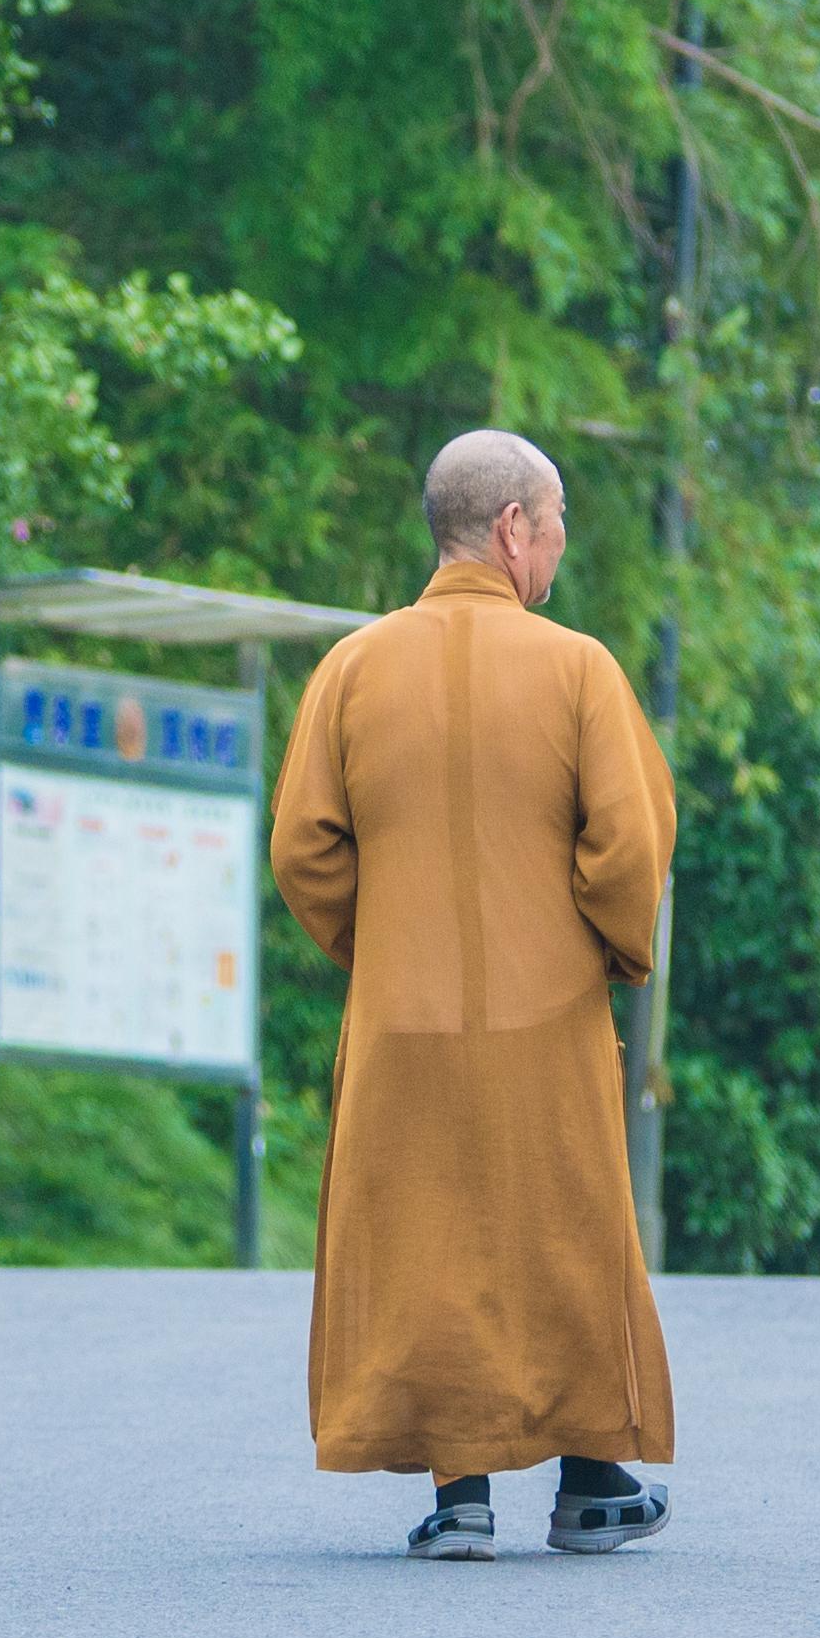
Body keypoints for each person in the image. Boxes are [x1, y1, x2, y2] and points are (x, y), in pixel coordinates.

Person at [269, 429, 678, 1561]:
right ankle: (593, 1484)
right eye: (551, 530)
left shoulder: (350, 669)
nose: (555, 553)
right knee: (567, 1235)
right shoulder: (577, 667)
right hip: (546, 1015)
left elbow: (304, 851)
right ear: (511, 529)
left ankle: (461, 1500)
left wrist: (383, 949)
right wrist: (604, 947)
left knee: (431, 1239)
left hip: (400, 1020)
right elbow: (628, 848)